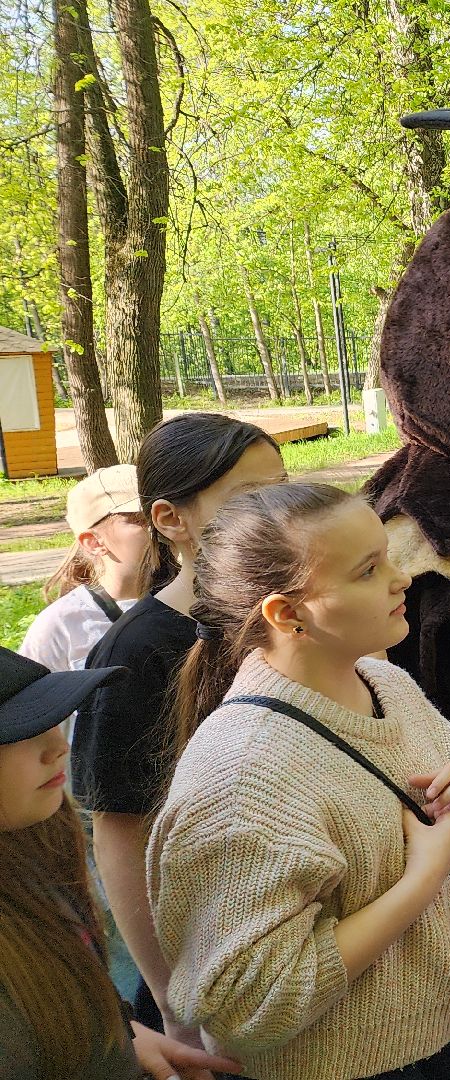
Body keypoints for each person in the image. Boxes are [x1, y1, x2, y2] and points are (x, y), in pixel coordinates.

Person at [149, 482, 450, 1080]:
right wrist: (423, 878)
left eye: (387, 555)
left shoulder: (390, 687)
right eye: (368, 570)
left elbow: (447, 846)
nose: (401, 578)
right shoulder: (242, 779)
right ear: (287, 615)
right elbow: (245, 1003)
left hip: (447, 1039)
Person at [72, 413, 285, 1037]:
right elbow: (119, 829)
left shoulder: (291, 620)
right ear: (171, 520)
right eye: (250, 498)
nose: (278, 510)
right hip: (203, 964)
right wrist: (170, 997)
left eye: (283, 486)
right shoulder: (136, 652)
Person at [0, 645, 244, 1080]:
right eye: (18, 732)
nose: (57, 745)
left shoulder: (34, 844)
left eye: (52, 720)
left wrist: (123, 1031)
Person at [18, 465, 150, 673]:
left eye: (161, 512)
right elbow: (28, 703)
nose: (159, 525)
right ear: (93, 542)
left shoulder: (194, 603)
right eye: (140, 520)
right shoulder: (60, 626)